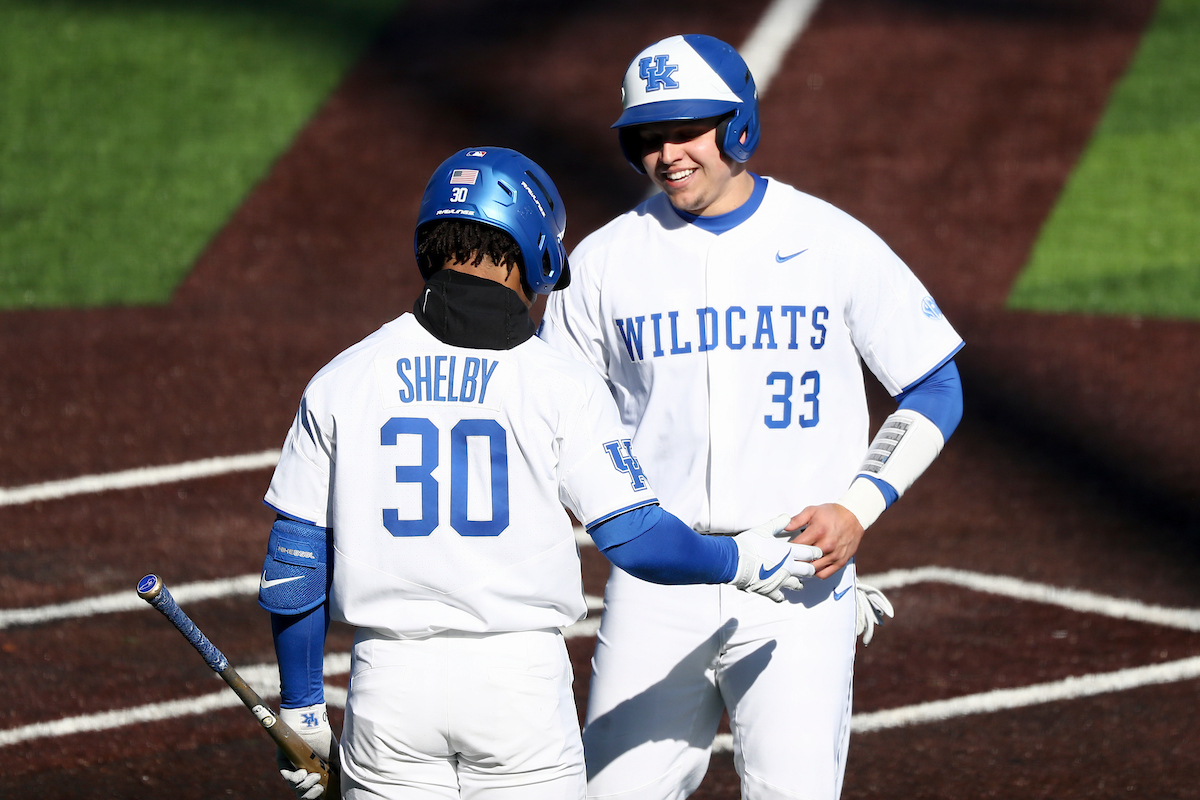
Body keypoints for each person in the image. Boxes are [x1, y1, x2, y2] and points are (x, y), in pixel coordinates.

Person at [256, 146, 824, 800]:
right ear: (535, 248)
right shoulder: (560, 383)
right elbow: (636, 539)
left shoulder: (344, 378)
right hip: (516, 689)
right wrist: (742, 560)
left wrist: (303, 713)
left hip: (389, 687)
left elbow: (295, 566)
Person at [538, 35, 965, 800]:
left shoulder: (828, 240)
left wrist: (859, 507)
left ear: (738, 126)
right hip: (658, 583)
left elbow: (935, 384)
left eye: (686, 131)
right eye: (649, 137)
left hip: (801, 577)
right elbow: (549, 415)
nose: (667, 155)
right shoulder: (603, 264)